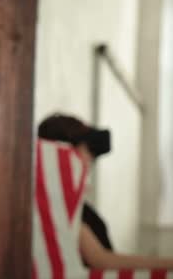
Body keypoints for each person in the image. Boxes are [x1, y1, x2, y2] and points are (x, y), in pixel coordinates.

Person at [38, 113, 173, 270]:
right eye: (86, 152)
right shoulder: (57, 209)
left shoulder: (65, 206)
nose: (89, 164)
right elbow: (103, 261)